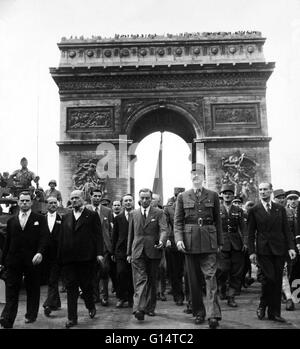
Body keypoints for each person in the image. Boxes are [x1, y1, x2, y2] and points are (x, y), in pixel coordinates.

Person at [174, 163, 223, 329]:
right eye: (193, 174)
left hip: (209, 242)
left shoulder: (213, 195)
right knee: (193, 281)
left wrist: (220, 242)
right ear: (190, 176)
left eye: (199, 174)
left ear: (204, 176)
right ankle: (199, 312)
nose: (196, 176)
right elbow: (178, 221)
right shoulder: (183, 196)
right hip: (189, 242)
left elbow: (218, 221)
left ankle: (213, 315)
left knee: (211, 278)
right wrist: (179, 239)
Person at [248, 182, 296, 323]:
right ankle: (263, 305)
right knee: (269, 279)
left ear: (271, 191)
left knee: (276, 281)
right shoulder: (254, 210)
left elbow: (286, 230)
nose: (262, 192)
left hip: (279, 249)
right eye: (260, 190)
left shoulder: (279, 209)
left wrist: (291, 247)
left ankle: (274, 313)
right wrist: (252, 252)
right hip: (263, 250)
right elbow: (250, 233)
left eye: (265, 189)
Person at [0, 191, 49, 328]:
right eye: (22, 201)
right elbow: (7, 243)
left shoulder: (39, 219)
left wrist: (40, 253)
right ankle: (7, 318)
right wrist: (2, 262)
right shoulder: (11, 221)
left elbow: (44, 238)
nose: (24, 203)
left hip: (32, 261)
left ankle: (31, 314)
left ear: (31, 202)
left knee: (33, 289)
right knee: (11, 289)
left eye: (27, 201)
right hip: (14, 261)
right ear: (18, 202)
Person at [57, 190, 104, 328]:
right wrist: (59, 258)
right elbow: (61, 239)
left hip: (86, 259)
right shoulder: (65, 217)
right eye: (72, 198)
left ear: (83, 199)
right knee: (71, 288)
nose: (74, 200)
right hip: (69, 260)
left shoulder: (92, 215)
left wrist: (99, 253)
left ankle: (90, 306)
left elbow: (98, 236)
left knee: (86, 286)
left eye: (76, 198)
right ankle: (72, 318)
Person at [127, 188, 168, 321]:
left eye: (147, 198)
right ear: (139, 199)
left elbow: (164, 229)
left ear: (151, 199)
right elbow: (131, 234)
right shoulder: (134, 213)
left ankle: (150, 307)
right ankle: (139, 308)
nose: (144, 200)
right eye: (142, 198)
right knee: (140, 279)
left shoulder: (159, 213)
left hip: (154, 250)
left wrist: (162, 241)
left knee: (152, 280)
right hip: (137, 250)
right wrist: (129, 252)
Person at [217, 184, 247, 307]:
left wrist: (245, 242)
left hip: (236, 244)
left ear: (233, 195)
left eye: (229, 193)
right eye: (225, 193)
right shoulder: (217, 209)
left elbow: (244, 228)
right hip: (222, 244)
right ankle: (221, 286)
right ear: (221, 195)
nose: (227, 195)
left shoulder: (239, 210)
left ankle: (231, 296)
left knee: (236, 271)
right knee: (223, 269)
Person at [86, 188, 114, 306]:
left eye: (99, 196)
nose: (97, 198)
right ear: (91, 196)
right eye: (95, 196)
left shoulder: (107, 211)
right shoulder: (85, 209)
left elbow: (111, 229)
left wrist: (111, 246)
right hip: (89, 246)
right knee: (92, 272)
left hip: (104, 246)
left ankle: (104, 297)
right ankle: (94, 296)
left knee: (104, 271)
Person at [111, 194, 134, 308]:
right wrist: (112, 252)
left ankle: (131, 298)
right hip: (120, 251)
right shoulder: (118, 218)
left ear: (133, 202)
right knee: (120, 273)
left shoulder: (136, 215)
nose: (128, 202)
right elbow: (114, 235)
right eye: (126, 201)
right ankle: (121, 297)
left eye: (130, 200)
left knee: (131, 275)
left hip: (134, 250)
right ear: (123, 203)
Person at [164, 187, 185, 306]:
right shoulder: (168, 209)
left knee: (187, 272)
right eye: (177, 195)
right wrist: (166, 239)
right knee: (175, 271)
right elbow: (166, 225)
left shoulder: (188, 207)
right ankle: (178, 296)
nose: (179, 197)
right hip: (173, 243)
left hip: (188, 242)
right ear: (175, 196)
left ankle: (191, 296)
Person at [42, 197, 62, 317]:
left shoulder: (62, 219)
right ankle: (56, 302)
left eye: (55, 203)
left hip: (57, 254)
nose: (53, 205)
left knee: (52, 279)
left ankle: (48, 304)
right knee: (50, 278)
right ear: (46, 205)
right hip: (44, 254)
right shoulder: (42, 219)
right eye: (51, 203)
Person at [284, 190, 300, 310]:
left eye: (295, 198)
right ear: (287, 200)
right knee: (290, 269)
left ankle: (296, 294)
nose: (293, 201)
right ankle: (287, 294)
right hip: (289, 245)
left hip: (299, 244)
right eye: (291, 199)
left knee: (298, 269)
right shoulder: (283, 211)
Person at [151, 193, 167, 301]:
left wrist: (164, 240)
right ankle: (155, 291)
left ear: (158, 201)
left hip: (160, 244)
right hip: (149, 244)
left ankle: (162, 291)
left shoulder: (162, 212)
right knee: (153, 270)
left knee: (162, 268)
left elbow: (165, 228)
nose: (151, 200)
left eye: (153, 199)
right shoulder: (146, 212)